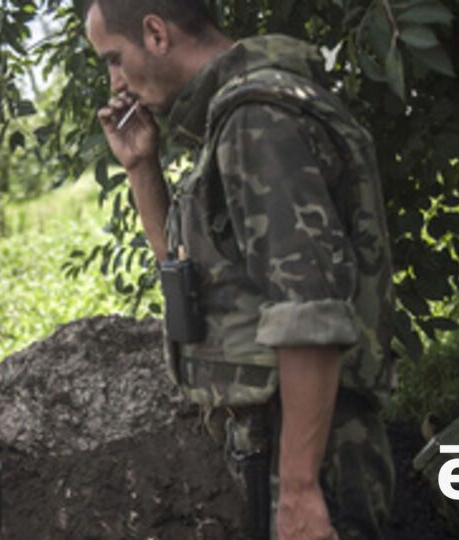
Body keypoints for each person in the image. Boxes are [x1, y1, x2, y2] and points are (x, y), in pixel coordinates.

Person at [84, 1, 396, 538]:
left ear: (155, 33)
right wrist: (140, 167)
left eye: (114, 58)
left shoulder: (258, 120)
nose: (115, 82)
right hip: (281, 444)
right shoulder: (233, 120)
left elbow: (308, 313)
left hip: (314, 452)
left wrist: (298, 489)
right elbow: (192, 276)